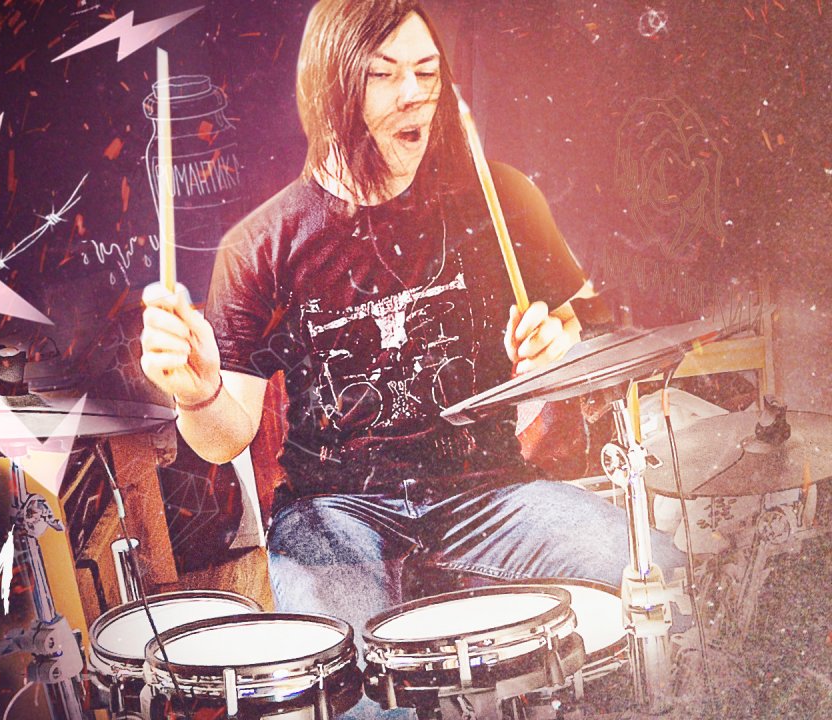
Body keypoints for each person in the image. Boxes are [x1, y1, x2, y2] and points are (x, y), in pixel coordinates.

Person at [139, 0, 683, 662]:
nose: (414, 95)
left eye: (427, 73)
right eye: (383, 74)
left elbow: (583, 318)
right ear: (330, 89)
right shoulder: (261, 245)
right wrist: (198, 394)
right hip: (335, 508)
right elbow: (225, 438)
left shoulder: (500, 196)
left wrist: (558, 341)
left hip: (489, 490)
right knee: (349, 673)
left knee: (663, 578)